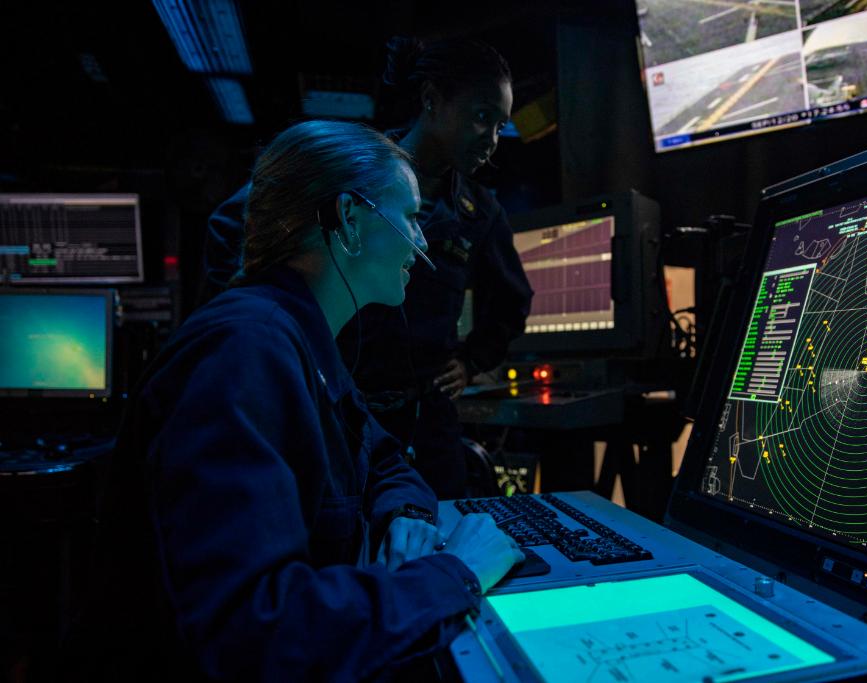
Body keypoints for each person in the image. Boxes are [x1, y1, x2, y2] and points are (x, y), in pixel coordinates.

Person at [73, 120, 523, 682]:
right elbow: (258, 631)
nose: (424, 241)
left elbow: (382, 457)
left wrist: (403, 514)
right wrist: (456, 572)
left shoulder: (299, 339)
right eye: (409, 217)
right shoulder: (242, 354)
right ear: (349, 220)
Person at [203, 37, 534, 499]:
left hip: (423, 415)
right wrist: (269, 341)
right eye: (482, 117)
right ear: (432, 101)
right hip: (338, 399)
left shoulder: (480, 211)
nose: (492, 140)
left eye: (501, 126)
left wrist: (472, 361)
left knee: (432, 527)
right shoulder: (354, 165)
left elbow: (513, 302)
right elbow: (230, 225)